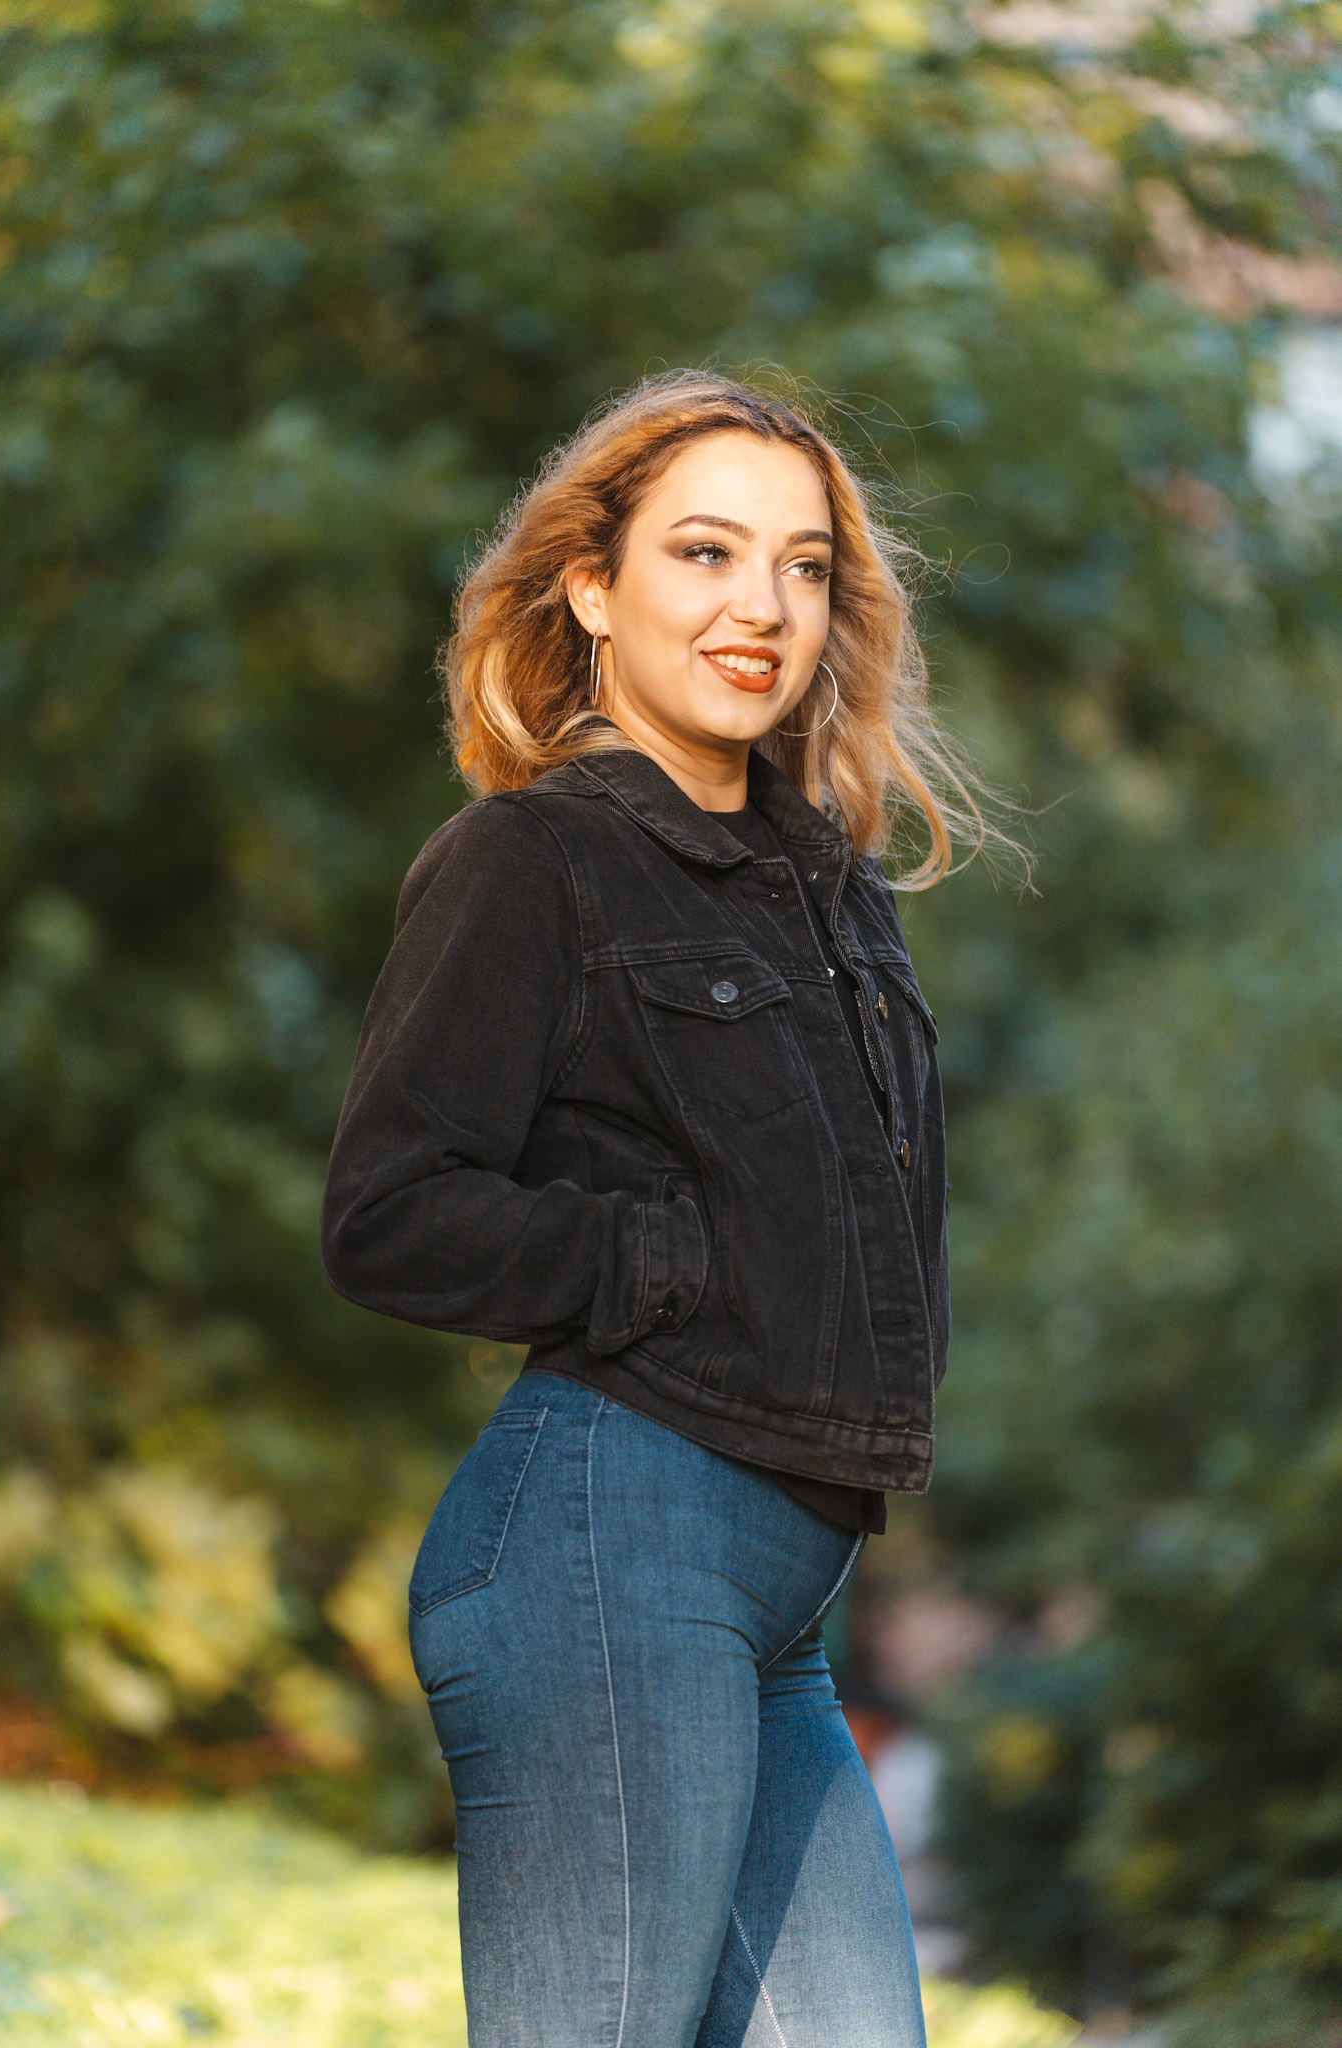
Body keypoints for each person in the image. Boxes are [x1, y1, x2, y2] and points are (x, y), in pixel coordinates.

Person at [321, 370, 1003, 2046]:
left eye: (801, 566)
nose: (759, 606)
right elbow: (390, 1210)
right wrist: (663, 1262)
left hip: (782, 1599)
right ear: (589, 586)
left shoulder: (833, 888)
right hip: (609, 1552)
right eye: (703, 553)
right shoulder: (531, 861)